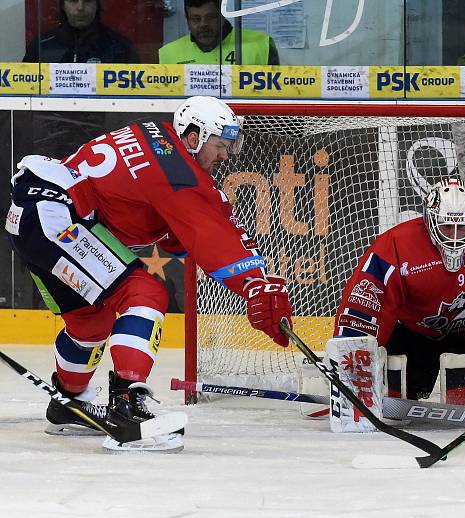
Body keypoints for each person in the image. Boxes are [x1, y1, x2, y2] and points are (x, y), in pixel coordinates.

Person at [4, 96, 292, 452]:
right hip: (58, 217)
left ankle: (68, 404)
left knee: (90, 321)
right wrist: (254, 284)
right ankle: (127, 410)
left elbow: (184, 229)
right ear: (193, 137)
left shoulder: (157, 143)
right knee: (146, 293)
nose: (225, 156)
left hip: (34, 217)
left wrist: (251, 277)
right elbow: (209, 232)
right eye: (220, 145)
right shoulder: (176, 171)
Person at [333, 178, 465, 401]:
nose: (455, 237)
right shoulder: (395, 246)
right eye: (447, 226)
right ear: (429, 220)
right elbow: (363, 310)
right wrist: (349, 372)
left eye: (463, 226)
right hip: (416, 340)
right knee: (393, 394)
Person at [159, 0, 279, 65]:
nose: (203, 24)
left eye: (210, 17)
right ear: (187, 20)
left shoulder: (261, 45)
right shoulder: (168, 53)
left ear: (222, 16)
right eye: (195, 19)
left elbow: (276, 99)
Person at [22, 0, 138, 63]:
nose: (80, 7)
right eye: (73, 0)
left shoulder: (119, 47)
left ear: (97, 5)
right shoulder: (42, 46)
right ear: (62, 5)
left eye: (87, 1)